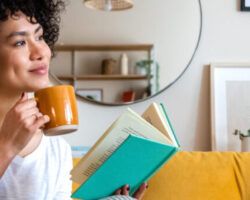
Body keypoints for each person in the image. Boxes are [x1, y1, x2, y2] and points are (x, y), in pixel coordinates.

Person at [0, 1, 147, 199]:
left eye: (40, 37)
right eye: (20, 42)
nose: (42, 52)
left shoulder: (57, 149)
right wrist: (7, 147)